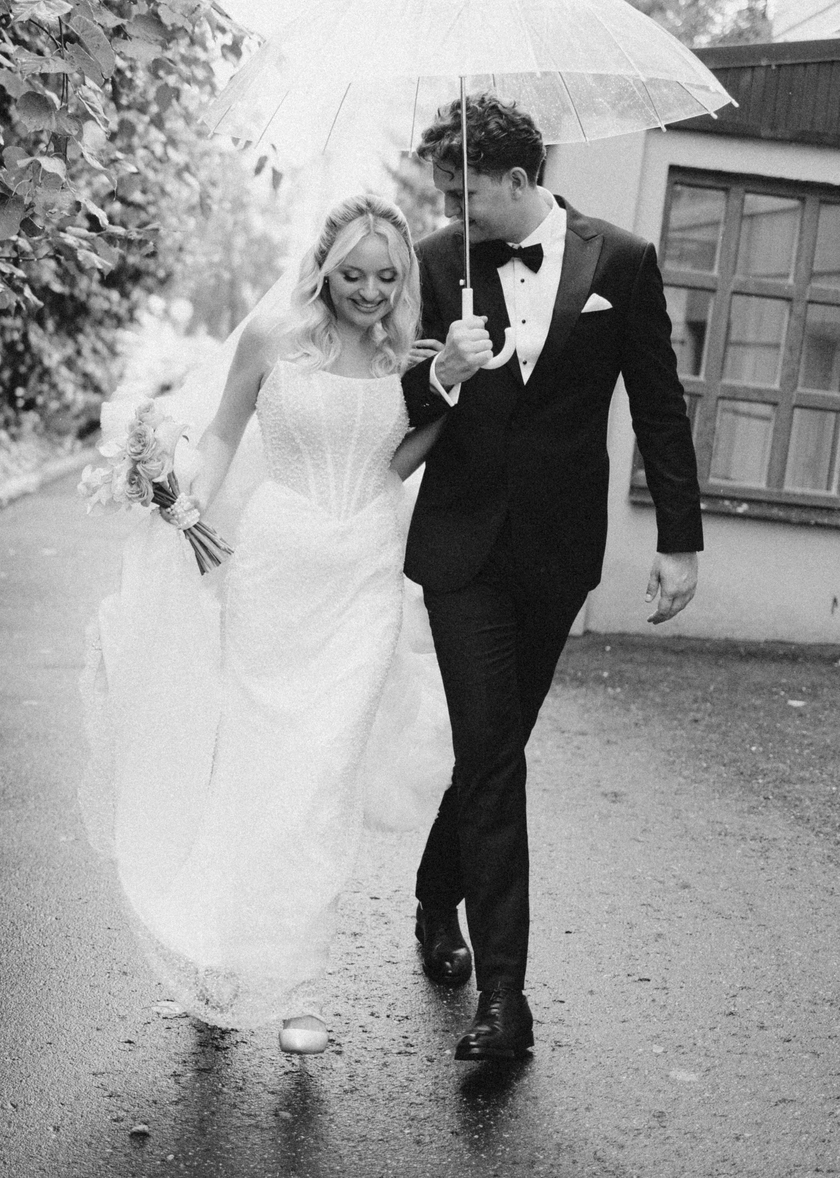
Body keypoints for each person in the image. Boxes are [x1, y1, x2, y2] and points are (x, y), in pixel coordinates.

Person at [82, 195, 442, 1056]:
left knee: (323, 774)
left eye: (387, 277)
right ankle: (216, 952)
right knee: (253, 766)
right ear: (323, 267)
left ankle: (297, 982)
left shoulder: (412, 359)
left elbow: (397, 460)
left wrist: (444, 398)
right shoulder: (271, 340)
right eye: (353, 274)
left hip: (363, 571)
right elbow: (221, 436)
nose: (369, 292)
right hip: (276, 572)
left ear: (404, 279)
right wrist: (185, 501)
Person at [401, 92, 702, 1062]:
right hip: (460, 550)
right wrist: (442, 373)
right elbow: (394, 402)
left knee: (494, 745)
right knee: (496, 756)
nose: (455, 208)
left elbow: (659, 402)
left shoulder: (623, 261)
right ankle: (505, 1001)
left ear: (521, 178)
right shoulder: (436, 261)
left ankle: (435, 889)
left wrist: (680, 539)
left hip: (558, 551)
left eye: (468, 192)